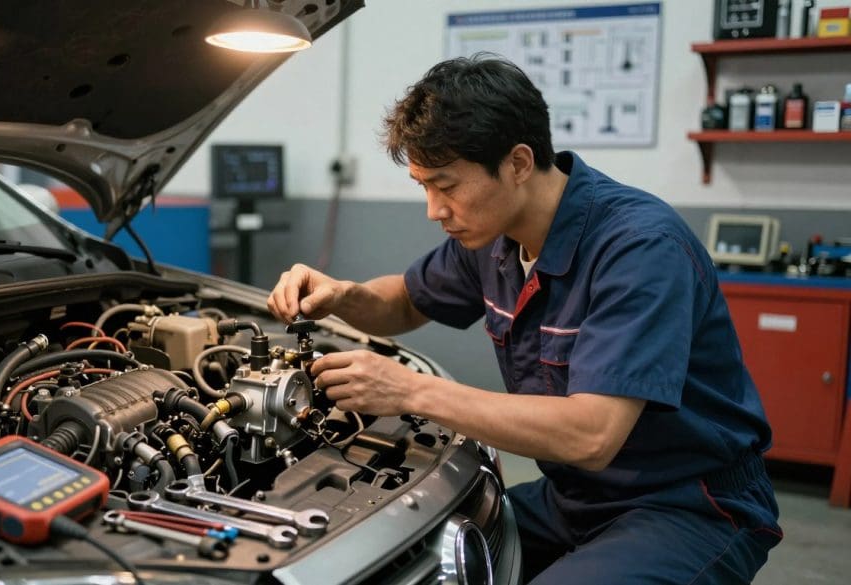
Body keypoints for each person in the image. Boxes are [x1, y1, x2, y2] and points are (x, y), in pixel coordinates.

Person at [267, 54, 782, 584]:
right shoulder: (492, 237)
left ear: (516, 163)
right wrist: (342, 294)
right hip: (576, 497)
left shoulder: (639, 248)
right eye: (423, 186)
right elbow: (403, 301)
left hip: (686, 505)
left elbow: (592, 435)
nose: (433, 209)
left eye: (446, 186)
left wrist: (410, 392)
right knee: (406, 558)